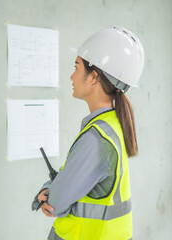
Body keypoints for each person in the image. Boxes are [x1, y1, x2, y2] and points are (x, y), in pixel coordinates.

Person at [32, 26, 144, 240]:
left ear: (93, 77)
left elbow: (55, 201)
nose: (72, 76)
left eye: (76, 67)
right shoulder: (113, 124)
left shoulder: (96, 139)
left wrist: (49, 192)